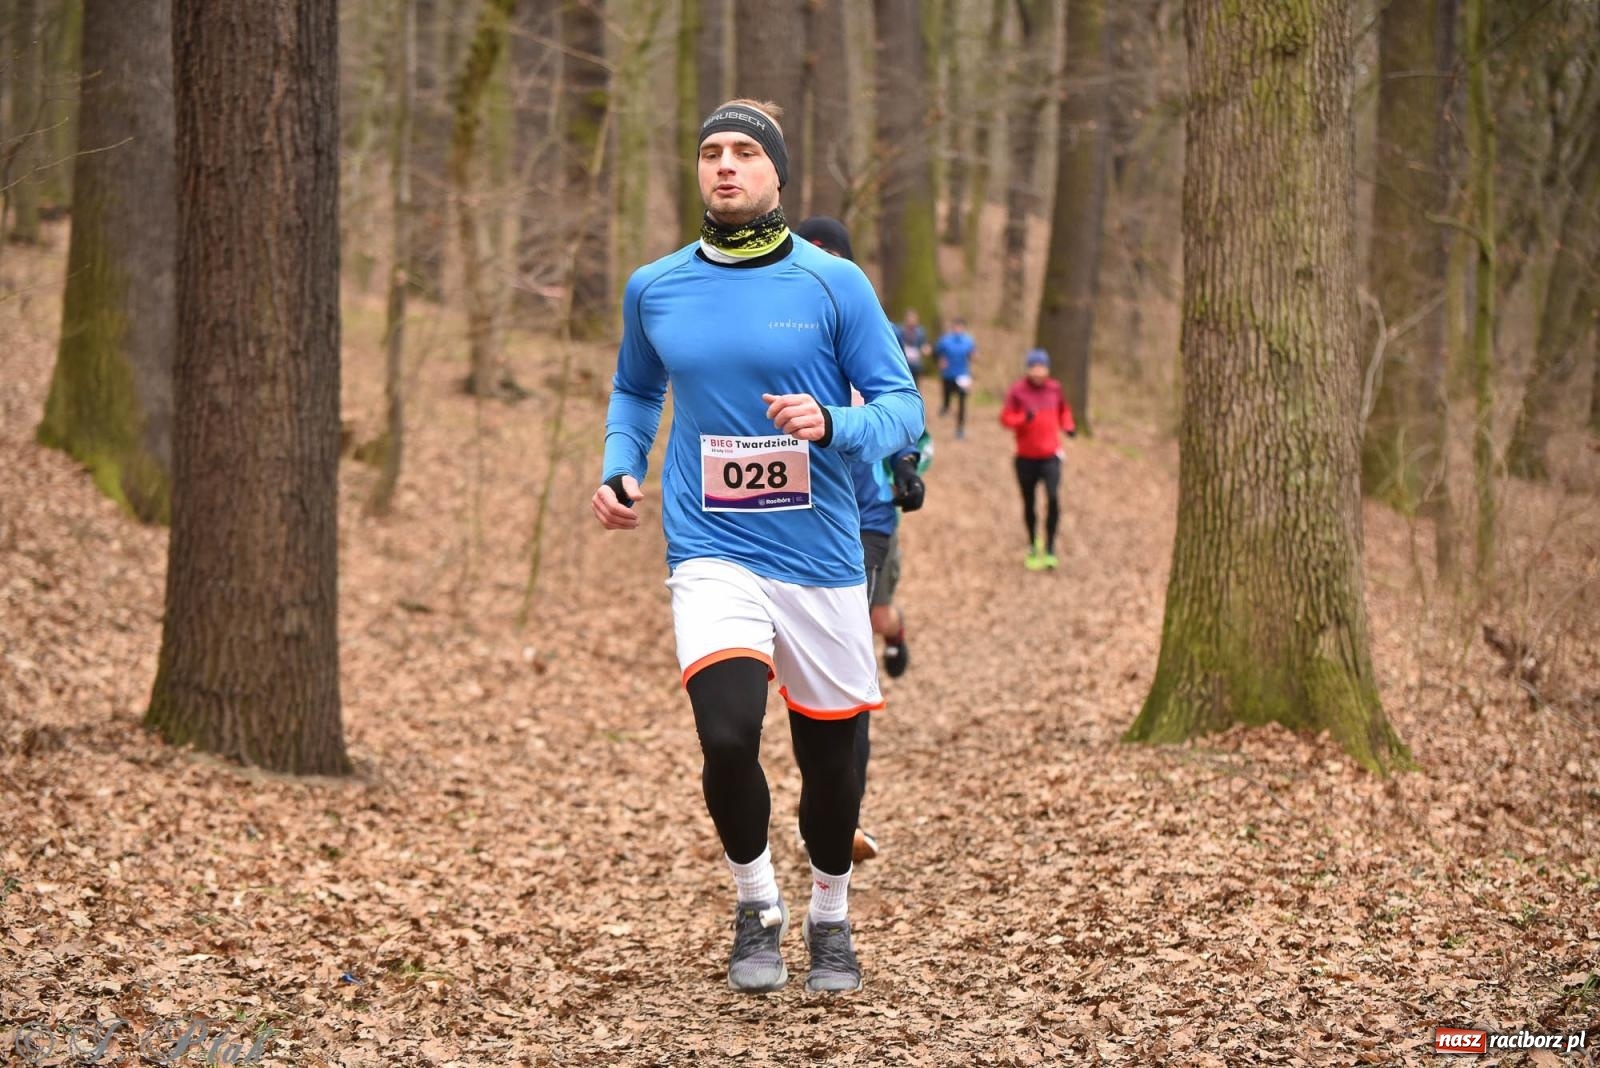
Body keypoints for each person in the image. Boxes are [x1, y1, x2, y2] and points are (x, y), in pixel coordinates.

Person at [591, 101, 923, 995]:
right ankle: (756, 907)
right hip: (711, 547)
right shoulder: (655, 287)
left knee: (832, 773)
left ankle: (830, 913)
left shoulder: (833, 284)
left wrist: (835, 421)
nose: (725, 165)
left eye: (744, 152)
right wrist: (622, 466)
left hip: (817, 556)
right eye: (711, 152)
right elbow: (634, 392)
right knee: (728, 733)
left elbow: (904, 409)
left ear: (777, 173)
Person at [793, 215, 934, 866]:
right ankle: (820, 796)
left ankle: (842, 814)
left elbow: (905, 412)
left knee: (853, 650)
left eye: (832, 259)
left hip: (867, 520)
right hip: (794, 521)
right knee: (805, 670)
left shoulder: (870, 332)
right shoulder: (780, 339)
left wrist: (907, 463)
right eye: (808, 257)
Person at [1000, 348, 1076, 570]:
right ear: (1027, 368)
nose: (1037, 371)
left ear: (1047, 369)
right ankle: (1033, 543)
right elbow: (1005, 419)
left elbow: (1064, 411)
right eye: (1033, 367)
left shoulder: (1055, 389)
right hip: (1025, 458)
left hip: (1051, 455)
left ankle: (1050, 547)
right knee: (1029, 502)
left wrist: (1068, 426)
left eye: (1041, 367)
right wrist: (1024, 418)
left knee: (1053, 498)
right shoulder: (1017, 391)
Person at [934, 318, 976, 439]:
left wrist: (974, 356)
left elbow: (973, 354)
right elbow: (936, 352)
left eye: (960, 327)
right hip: (948, 375)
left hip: (963, 375)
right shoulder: (945, 340)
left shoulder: (968, 341)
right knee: (947, 397)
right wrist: (940, 360)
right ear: (953, 328)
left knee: (962, 402)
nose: (958, 329)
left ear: (963, 328)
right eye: (956, 327)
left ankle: (960, 428)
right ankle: (945, 407)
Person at [896, 309, 930, 377]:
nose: (912, 321)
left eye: (914, 318)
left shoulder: (921, 332)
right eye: (910, 318)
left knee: (916, 384)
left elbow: (924, 345)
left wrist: (926, 349)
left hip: (916, 364)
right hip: (903, 363)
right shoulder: (899, 330)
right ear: (906, 319)